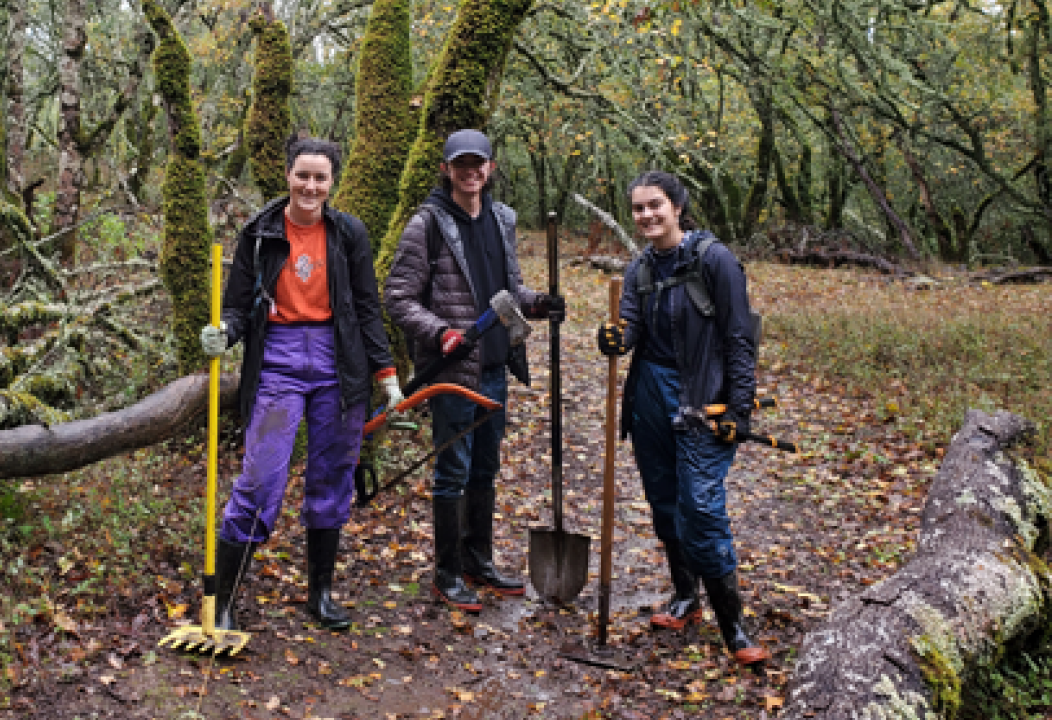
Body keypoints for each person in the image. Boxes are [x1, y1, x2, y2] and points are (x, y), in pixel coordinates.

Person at [199, 137, 404, 631]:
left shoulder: (349, 233)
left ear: (332, 182)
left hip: (339, 361)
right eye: (302, 175)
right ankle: (223, 603)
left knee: (332, 477)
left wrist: (388, 375)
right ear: (287, 175)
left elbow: (366, 306)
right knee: (262, 476)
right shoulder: (259, 233)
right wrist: (224, 332)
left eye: (321, 177)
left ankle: (321, 594)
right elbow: (237, 305)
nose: (311, 186)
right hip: (278, 359)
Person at [384, 129, 564, 613]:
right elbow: (398, 297)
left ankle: (477, 561)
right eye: (460, 163)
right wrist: (440, 331)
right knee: (453, 470)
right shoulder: (427, 225)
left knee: (485, 466)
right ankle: (446, 573)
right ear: (445, 168)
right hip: (452, 370)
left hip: (494, 366)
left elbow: (510, 291)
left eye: (478, 163)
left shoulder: (501, 219)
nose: (470, 171)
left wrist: (540, 303)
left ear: (490, 167)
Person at [596, 170, 768, 665]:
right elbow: (629, 328)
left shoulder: (714, 260)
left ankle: (733, 625)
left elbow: (739, 336)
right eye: (638, 208)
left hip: (703, 396)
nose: (647, 215)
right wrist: (614, 338)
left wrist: (739, 406)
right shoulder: (639, 269)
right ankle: (686, 597)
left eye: (656, 205)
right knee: (666, 500)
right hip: (650, 393)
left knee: (702, 505)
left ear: (676, 206)